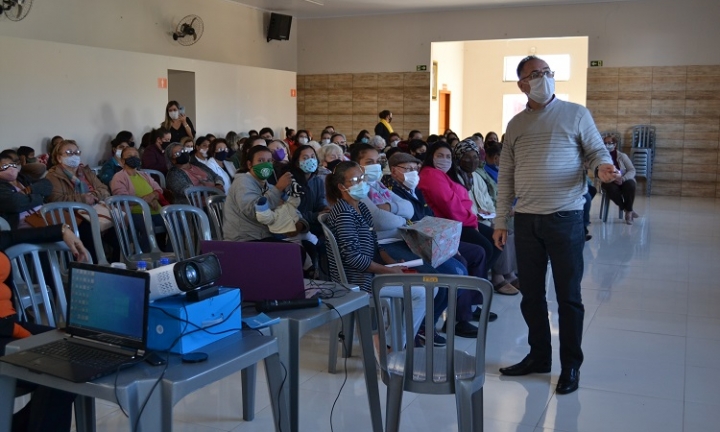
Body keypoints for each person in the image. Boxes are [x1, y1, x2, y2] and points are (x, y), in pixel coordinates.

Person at [493, 55, 621, 395]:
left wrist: (603, 168)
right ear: (521, 83)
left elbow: (595, 152)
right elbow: (505, 176)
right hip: (527, 221)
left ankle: (571, 366)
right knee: (531, 296)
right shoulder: (516, 125)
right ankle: (538, 356)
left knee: (568, 297)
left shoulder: (575, 113)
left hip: (565, 218)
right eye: (535, 74)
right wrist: (501, 219)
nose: (543, 77)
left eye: (547, 72)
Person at [383, 151, 497, 336]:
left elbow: (429, 218)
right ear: (394, 171)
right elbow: (406, 225)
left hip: (429, 236)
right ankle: (427, 324)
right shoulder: (389, 191)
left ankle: (463, 312)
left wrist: (448, 242)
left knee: (478, 252)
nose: (413, 173)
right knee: (456, 269)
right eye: (408, 169)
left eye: (415, 169)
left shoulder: (415, 188)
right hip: (410, 242)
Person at [324, 161, 427, 342]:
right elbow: (354, 258)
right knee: (421, 292)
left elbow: (374, 243)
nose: (362, 183)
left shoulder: (361, 207)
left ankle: (391, 340)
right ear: (341, 186)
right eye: (355, 180)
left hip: (371, 273)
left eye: (362, 178)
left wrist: (392, 262)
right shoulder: (343, 214)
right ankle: (391, 345)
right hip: (358, 280)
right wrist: (388, 271)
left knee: (428, 287)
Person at [1, 224, 88, 432]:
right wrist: (22, 334)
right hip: (5, 331)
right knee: (61, 362)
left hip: (10, 325)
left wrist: (62, 231)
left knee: (79, 348)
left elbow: (13, 235)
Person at [418, 141, 501, 272]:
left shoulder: (447, 174)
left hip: (463, 220)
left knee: (497, 239)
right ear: (431, 156)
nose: (444, 160)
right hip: (449, 225)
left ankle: (479, 279)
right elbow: (450, 204)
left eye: (448, 157)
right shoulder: (431, 174)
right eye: (440, 155)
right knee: (486, 247)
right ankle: (475, 282)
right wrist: (473, 222)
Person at [452, 140, 519, 296]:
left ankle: (508, 273)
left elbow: (486, 198)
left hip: (484, 216)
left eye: (475, 157)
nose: (473, 161)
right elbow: (463, 205)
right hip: (470, 220)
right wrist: (481, 215)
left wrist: (490, 212)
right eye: (467, 157)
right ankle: (497, 276)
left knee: (509, 231)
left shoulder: (476, 176)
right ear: (459, 157)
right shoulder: (455, 177)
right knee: (499, 235)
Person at [45, 140, 112, 263]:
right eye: (69, 153)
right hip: (72, 217)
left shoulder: (85, 171)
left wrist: (93, 195)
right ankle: (96, 266)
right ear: (59, 158)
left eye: (77, 152)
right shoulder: (52, 176)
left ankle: (117, 264)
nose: (74, 156)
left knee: (119, 224)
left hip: (95, 210)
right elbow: (56, 199)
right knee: (88, 229)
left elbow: (103, 189)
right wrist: (82, 199)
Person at [223, 145, 301, 242]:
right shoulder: (242, 182)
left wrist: (300, 222)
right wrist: (278, 188)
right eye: (260, 161)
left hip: (264, 235)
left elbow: (287, 205)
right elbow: (252, 210)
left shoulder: (266, 185)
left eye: (269, 161)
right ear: (249, 164)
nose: (266, 164)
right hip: (245, 238)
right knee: (294, 251)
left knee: (306, 246)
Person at [110, 147, 168, 251]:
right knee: (149, 226)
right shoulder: (118, 177)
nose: (133, 158)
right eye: (129, 156)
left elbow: (158, 189)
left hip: (156, 211)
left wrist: (153, 196)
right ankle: (145, 257)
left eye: (136, 156)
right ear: (123, 161)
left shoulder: (144, 174)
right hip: (135, 213)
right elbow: (123, 198)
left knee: (177, 224)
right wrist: (147, 200)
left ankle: (170, 253)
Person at [0, 155, 52, 229]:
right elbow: (17, 204)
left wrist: (27, 190)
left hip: (44, 214)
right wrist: (40, 197)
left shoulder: (22, 178)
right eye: (5, 166)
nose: (11, 168)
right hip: (23, 223)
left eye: (12, 164)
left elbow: (47, 184)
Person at [601, 133, 638, 225]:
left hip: (623, 179)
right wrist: (610, 179)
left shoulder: (622, 156)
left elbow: (632, 170)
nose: (607, 145)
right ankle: (628, 210)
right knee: (611, 189)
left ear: (615, 144)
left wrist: (623, 179)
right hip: (609, 181)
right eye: (605, 143)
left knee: (630, 185)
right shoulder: (601, 157)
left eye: (610, 143)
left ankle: (628, 211)